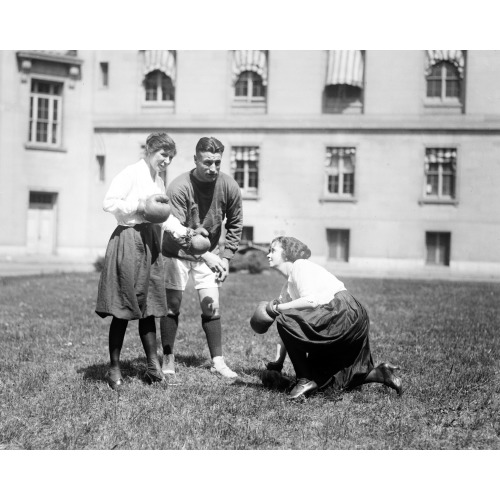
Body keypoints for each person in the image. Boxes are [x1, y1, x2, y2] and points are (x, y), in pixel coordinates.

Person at [95, 132, 191, 390]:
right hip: (128, 239)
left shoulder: (158, 180)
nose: (167, 161)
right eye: (163, 154)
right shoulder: (130, 173)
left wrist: (184, 232)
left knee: (149, 307)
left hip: (150, 242)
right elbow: (109, 203)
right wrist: (139, 205)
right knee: (123, 308)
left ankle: (152, 367)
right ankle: (114, 369)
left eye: (170, 157)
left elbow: (162, 215)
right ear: (149, 150)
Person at [262, 236, 403, 400]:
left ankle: (303, 380)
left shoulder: (300, 266)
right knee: (324, 385)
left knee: (285, 320)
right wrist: (277, 364)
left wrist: (278, 308)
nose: (268, 255)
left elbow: (310, 301)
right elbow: (287, 331)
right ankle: (380, 373)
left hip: (343, 313)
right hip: (347, 317)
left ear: (286, 254)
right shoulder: (287, 287)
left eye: (272, 250)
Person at [160, 136, 243, 379]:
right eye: (207, 162)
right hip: (176, 252)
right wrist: (207, 255)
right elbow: (174, 230)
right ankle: (168, 357)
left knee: (211, 306)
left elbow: (236, 223)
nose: (213, 168)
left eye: (217, 162)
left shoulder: (228, 186)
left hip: (210, 254)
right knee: (172, 305)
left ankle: (217, 361)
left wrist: (226, 257)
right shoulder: (178, 186)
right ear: (195, 159)